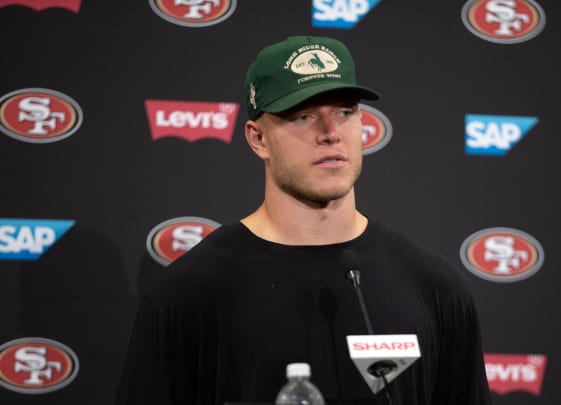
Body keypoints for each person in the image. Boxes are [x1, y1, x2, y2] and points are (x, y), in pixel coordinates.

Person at [114, 35, 492, 405]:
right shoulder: (188, 294)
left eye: (345, 112)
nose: (330, 134)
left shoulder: (433, 287)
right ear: (258, 138)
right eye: (303, 115)